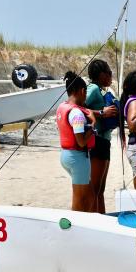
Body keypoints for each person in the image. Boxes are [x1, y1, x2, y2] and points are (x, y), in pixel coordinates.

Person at [56, 72, 96, 212]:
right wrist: (93, 124)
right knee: (80, 198)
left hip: (66, 155)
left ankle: (88, 221)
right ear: (82, 91)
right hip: (77, 158)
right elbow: (81, 142)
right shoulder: (77, 114)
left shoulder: (62, 106)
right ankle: (75, 226)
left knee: (90, 195)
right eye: (85, 94)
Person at [84, 59, 118, 213]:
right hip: (96, 141)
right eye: (110, 73)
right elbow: (77, 107)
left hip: (104, 141)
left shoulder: (102, 90)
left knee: (100, 188)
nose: (111, 76)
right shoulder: (93, 89)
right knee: (95, 187)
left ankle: (101, 216)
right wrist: (102, 113)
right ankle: (93, 218)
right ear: (102, 75)